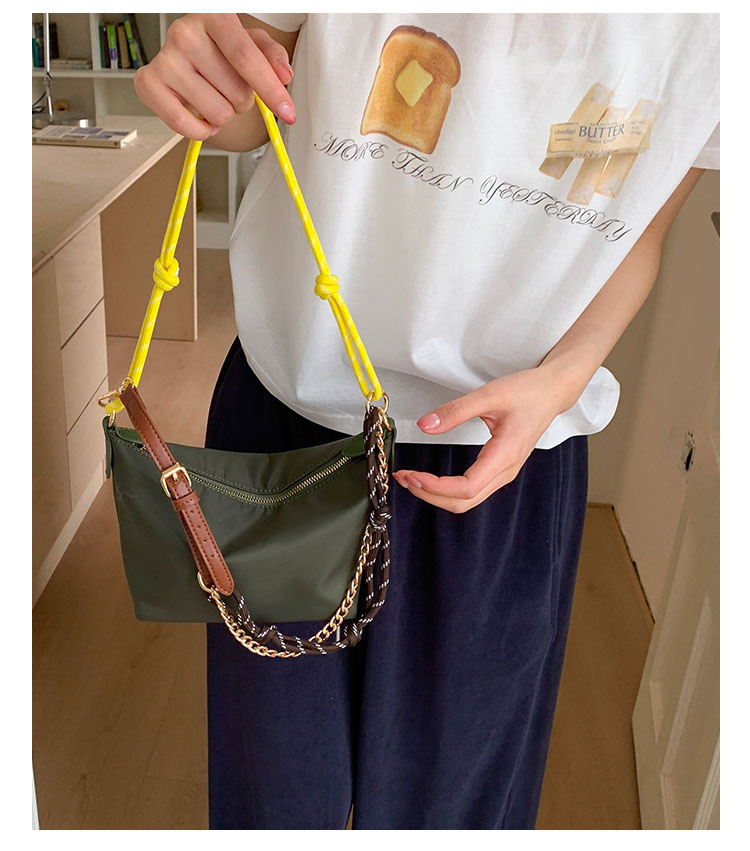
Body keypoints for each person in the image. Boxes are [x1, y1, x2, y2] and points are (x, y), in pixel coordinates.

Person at [134, 12, 719, 829]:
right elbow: (250, 111)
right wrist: (203, 71)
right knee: (274, 799)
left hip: (502, 465)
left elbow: (641, 228)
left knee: (454, 816)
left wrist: (563, 379)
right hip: (291, 424)